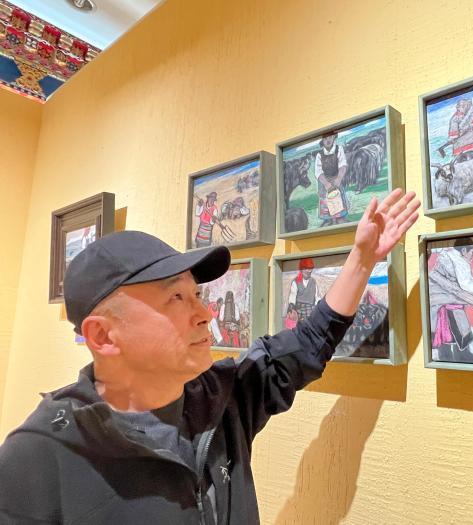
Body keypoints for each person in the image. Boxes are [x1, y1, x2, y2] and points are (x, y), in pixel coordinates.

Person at [0, 189, 420, 524]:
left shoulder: (221, 397)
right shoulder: (39, 457)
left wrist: (362, 259)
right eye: (176, 297)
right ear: (103, 335)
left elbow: (309, 343)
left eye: (197, 294)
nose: (206, 313)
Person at [315, 132, 350, 226]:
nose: (328, 140)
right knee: (326, 206)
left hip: (336, 180)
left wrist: (338, 179)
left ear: (334, 137)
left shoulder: (339, 149)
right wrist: (327, 184)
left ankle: (339, 219)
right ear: (322, 140)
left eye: (330, 137)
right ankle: (329, 220)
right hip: (324, 183)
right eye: (325, 138)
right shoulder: (319, 154)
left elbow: (343, 166)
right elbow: (318, 172)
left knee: (338, 203)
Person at [286, 257, 321, 325]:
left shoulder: (313, 281)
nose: (309, 271)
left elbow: (317, 296)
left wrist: (319, 306)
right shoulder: (295, 281)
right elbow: (293, 295)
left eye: (310, 268)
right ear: (301, 269)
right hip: (299, 309)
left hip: (310, 309)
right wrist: (291, 305)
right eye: (306, 268)